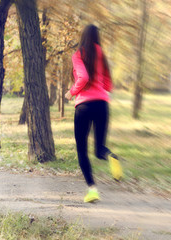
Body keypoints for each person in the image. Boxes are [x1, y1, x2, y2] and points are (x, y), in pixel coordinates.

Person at [65, 24, 123, 203]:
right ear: (97, 37)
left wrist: (71, 92)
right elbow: (108, 83)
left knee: (82, 150)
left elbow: (83, 78)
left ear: (83, 36)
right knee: (99, 150)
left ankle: (92, 190)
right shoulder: (101, 54)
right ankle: (111, 156)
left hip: (84, 106)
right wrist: (102, 91)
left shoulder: (78, 54)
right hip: (102, 104)